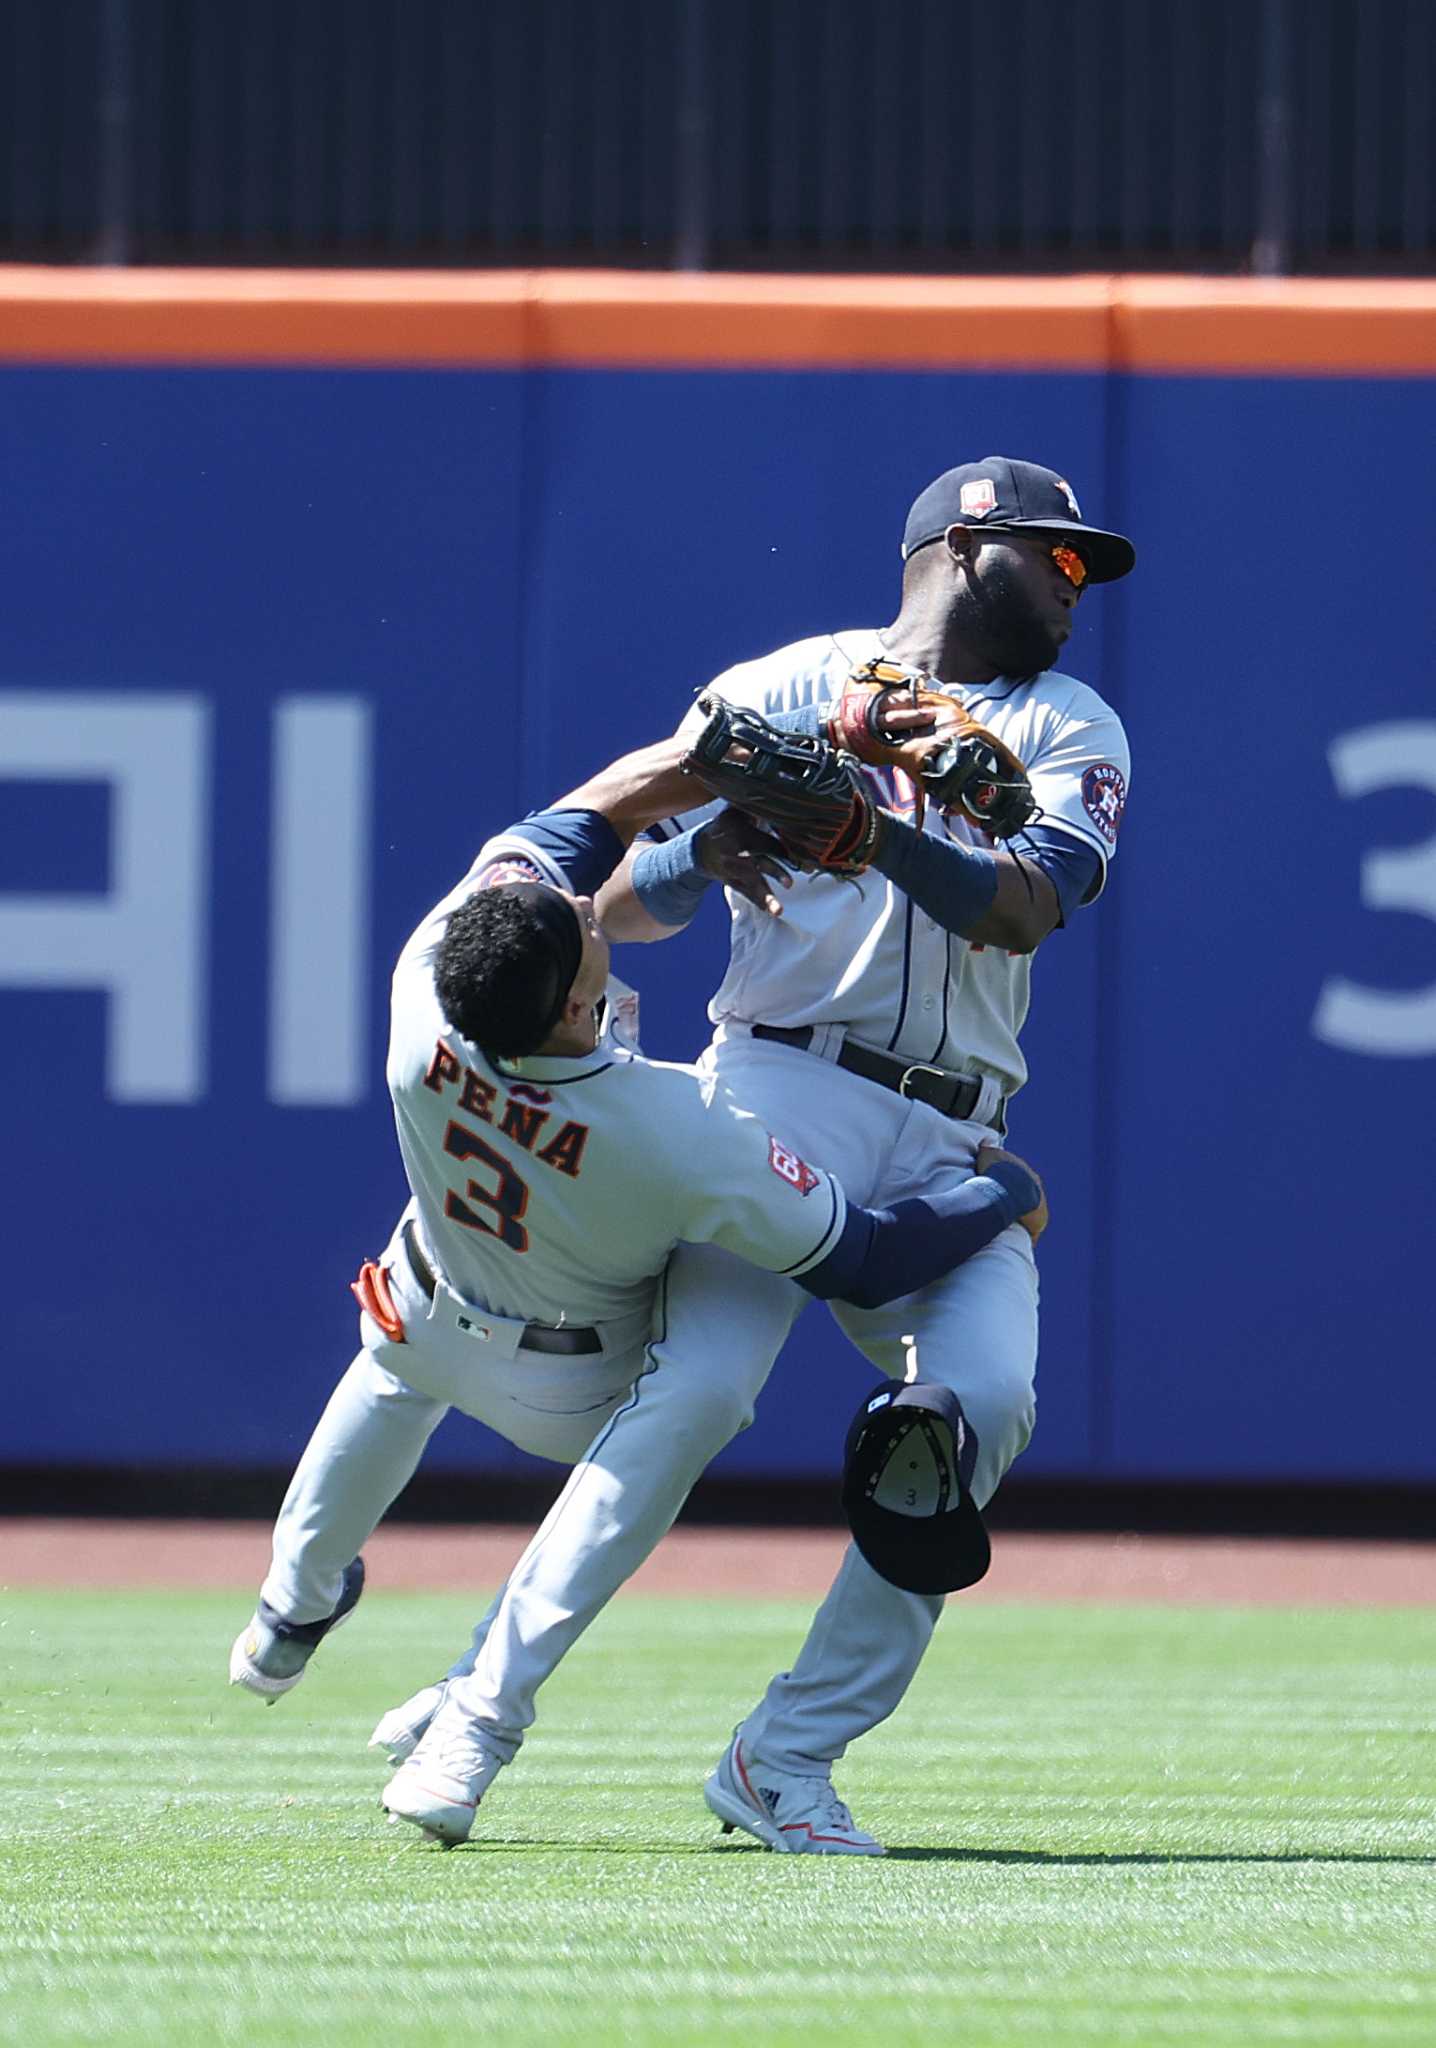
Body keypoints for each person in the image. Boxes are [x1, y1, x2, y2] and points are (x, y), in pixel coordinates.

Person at [229, 726, 1049, 1849]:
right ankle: (474, 1709)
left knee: (383, 1381)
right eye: (576, 929)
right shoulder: (675, 1125)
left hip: (420, 1303)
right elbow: (861, 1257)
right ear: (571, 1009)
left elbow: (569, 833)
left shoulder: (428, 981)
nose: (582, 908)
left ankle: (289, 1609)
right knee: (692, 1396)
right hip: (570, 1383)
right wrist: (1002, 1194)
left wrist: (692, 778)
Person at [585, 453, 1135, 1854]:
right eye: (1053, 556)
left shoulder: (1075, 724)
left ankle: (784, 1757)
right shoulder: (777, 686)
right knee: (696, 1390)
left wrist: (871, 826)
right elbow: (624, 903)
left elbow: (1023, 910)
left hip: (954, 1119)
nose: (1077, 588)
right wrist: (713, 840)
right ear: (965, 545)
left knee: (986, 1406)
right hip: (784, 1079)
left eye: (1085, 567)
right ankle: (481, 1697)